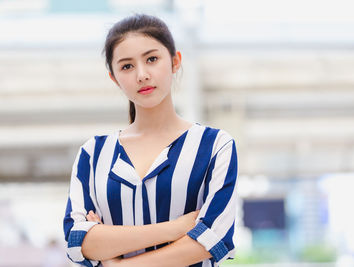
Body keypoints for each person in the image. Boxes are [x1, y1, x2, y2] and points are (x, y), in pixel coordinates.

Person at [63, 13, 238, 267]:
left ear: (175, 61)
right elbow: (77, 241)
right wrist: (175, 228)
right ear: (114, 77)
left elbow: (213, 239)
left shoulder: (214, 146)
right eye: (127, 66)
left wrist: (120, 263)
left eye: (152, 59)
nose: (142, 75)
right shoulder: (93, 154)